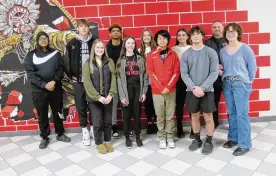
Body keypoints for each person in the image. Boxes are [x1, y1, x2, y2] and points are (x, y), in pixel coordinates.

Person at [24, 31, 71, 149]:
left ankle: (60, 133)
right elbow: (30, 74)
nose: (43, 40)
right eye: (41, 38)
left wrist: (54, 81)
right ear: (37, 41)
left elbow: (60, 69)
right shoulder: (30, 55)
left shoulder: (56, 53)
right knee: (42, 115)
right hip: (39, 91)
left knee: (58, 113)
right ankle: (45, 137)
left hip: (55, 88)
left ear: (48, 40)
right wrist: (44, 85)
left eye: (45, 38)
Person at [181, 26, 219, 155]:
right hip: (191, 91)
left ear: (203, 36)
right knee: (194, 116)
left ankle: (208, 141)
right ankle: (196, 140)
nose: (195, 36)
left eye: (198, 34)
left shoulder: (210, 52)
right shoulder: (186, 54)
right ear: (190, 37)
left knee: (208, 117)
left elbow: (214, 73)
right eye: (193, 34)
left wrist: (202, 88)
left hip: (207, 90)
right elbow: (184, 74)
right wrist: (194, 88)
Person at [220, 23, 257, 156]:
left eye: (233, 31)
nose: (230, 34)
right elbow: (223, 67)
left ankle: (245, 144)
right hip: (227, 84)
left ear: (238, 33)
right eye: (228, 31)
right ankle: (233, 138)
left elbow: (252, 69)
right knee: (232, 113)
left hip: (241, 85)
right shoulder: (223, 50)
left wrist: (247, 82)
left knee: (242, 114)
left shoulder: (245, 48)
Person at [146, 30, 180, 149]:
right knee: (160, 116)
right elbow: (151, 72)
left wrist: (168, 87)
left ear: (168, 40)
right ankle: (162, 137)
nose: (162, 40)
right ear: (156, 40)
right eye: (159, 38)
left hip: (171, 90)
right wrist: (161, 87)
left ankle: (170, 136)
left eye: (164, 38)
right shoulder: (151, 55)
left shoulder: (173, 54)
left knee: (170, 115)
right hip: (157, 91)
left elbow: (176, 73)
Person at [83, 39, 117, 154]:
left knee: (108, 121)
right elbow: (87, 83)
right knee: (97, 122)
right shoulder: (88, 63)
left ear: (104, 49)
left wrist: (111, 94)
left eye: (102, 47)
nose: (100, 49)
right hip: (94, 99)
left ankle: (107, 140)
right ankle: (99, 143)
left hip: (108, 98)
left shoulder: (110, 61)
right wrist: (98, 97)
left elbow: (114, 79)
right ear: (94, 49)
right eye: (97, 47)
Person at [64, 19, 95, 146]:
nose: (83, 29)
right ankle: (84, 129)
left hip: (93, 81)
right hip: (78, 81)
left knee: (93, 105)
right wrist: (72, 76)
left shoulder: (94, 42)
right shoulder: (71, 43)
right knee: (81, 106)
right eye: (81, 26)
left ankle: (93, 128)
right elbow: (66, 62)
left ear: (88, 28)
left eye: (85, 26)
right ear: (77, 28)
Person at [117, 36, 148, 148]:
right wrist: (122, 96)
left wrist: (144, 92)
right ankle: (127, 137)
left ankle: (138, 136)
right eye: (128, 43)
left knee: (137, 114)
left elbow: (145, 76)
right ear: (125, 45)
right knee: (126, 115)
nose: (131, 45)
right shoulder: (121, 60)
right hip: (126, 90)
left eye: (133, 43)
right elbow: (119, 79)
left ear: (135, 45)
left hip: (138, 89)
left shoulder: (140, 59)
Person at [205, 20, 227, 129]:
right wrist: (216, 68)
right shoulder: (207, 43)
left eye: (219, 27)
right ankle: (214, 122)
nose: (217, 29)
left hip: (228, 76)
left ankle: (233, 124)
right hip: (215, 77)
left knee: (230, 101)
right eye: (214, 27)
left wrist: (224, 68)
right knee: (214, 100)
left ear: (223, 28)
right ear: (211, 29)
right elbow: (205, 60)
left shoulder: (228, 41)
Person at [172, 28, 191, 138]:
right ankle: (179, 129)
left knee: (191, 105)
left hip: (190, 80)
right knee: (179, 105)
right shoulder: (173, 49)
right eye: (179, 35)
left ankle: (194, 129)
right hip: (179, 80)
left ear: (187, 36)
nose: (181, 37)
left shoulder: (191, 48)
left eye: (184, 35)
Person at [138, 29, 157, 134]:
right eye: (144, 35)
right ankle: (150, 121)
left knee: (156, 102)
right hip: (145, 81)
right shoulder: (139, 50)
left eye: (148, 35)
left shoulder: (156, 49)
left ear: (151, 37)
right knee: (148, 102)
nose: (146, 37)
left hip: (155, 80)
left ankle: (156, 121)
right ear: (142, 37)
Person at [106, 24, 123, 139]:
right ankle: (114, 125)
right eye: (114, 31)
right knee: (113, 103)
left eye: (118, 31)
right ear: (110, 34)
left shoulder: (125, 46)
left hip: (124, 78)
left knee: (125, 102)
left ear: (120, 33)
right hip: (111, 78)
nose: (116, 33)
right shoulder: (106, 48)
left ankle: (127, 125)